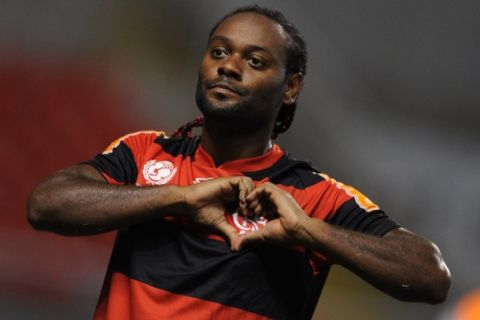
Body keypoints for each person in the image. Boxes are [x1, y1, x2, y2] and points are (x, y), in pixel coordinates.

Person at [27, 5, 451, 320]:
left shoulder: (314, 195)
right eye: (219, 52)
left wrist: (309, 231)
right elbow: (45, 205)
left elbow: (430, 276)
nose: (229, 66)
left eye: (254, 61)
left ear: (291, 87)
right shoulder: (144, 153)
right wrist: (177, 198)